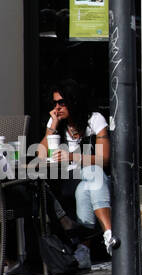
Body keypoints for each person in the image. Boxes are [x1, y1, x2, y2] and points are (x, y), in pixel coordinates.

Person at [39, 80, 111, 252]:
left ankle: (84, 250)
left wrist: (72, 157)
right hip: (66, 180)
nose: (57, 107)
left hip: (93, 178)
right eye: (55, 103)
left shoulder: (94, 120)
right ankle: (109, 233)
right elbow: (40, 154)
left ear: (73, 101)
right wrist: (53, 126)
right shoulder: (56, 122)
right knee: (91, 178)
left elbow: (104, 159)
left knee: (86, 186)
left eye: (61, 102)